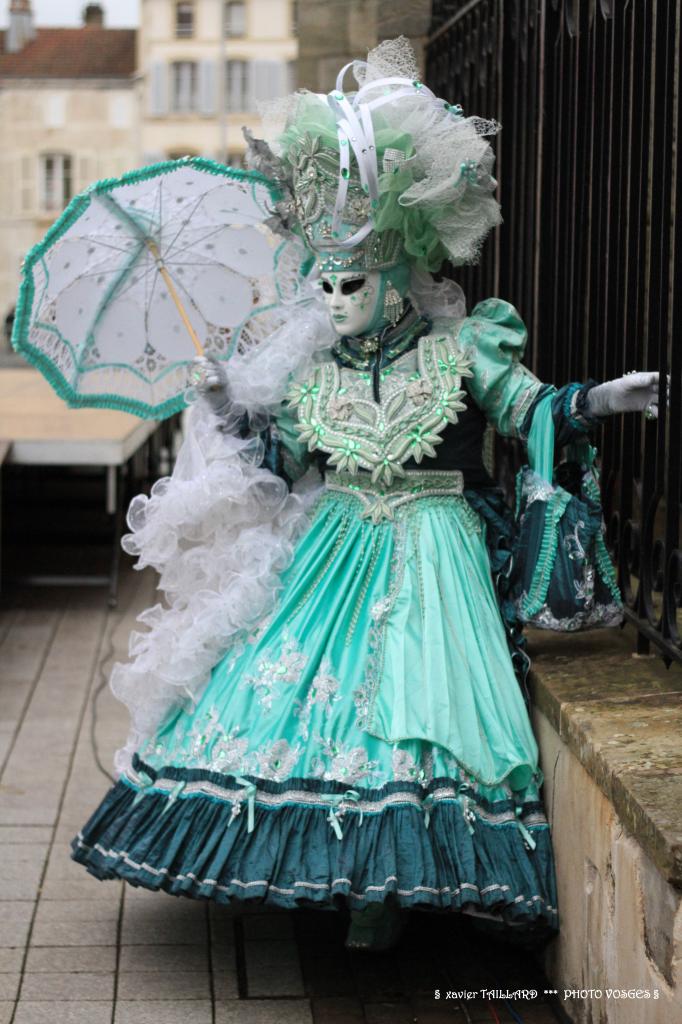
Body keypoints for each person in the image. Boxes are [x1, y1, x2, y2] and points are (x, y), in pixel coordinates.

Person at [72, 39, 660, 951]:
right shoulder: (313, 378)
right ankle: (330, 877)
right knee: (306, 706)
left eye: (351, 283)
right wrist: (225, 403)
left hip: (436, 548)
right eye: (325, 282)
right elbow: (283, 457)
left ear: (393, 285)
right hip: (336, 549)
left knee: (416, 718)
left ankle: (384, 896)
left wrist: (602, 400)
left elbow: (527, 406)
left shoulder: (460, 351)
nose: (335, 298)